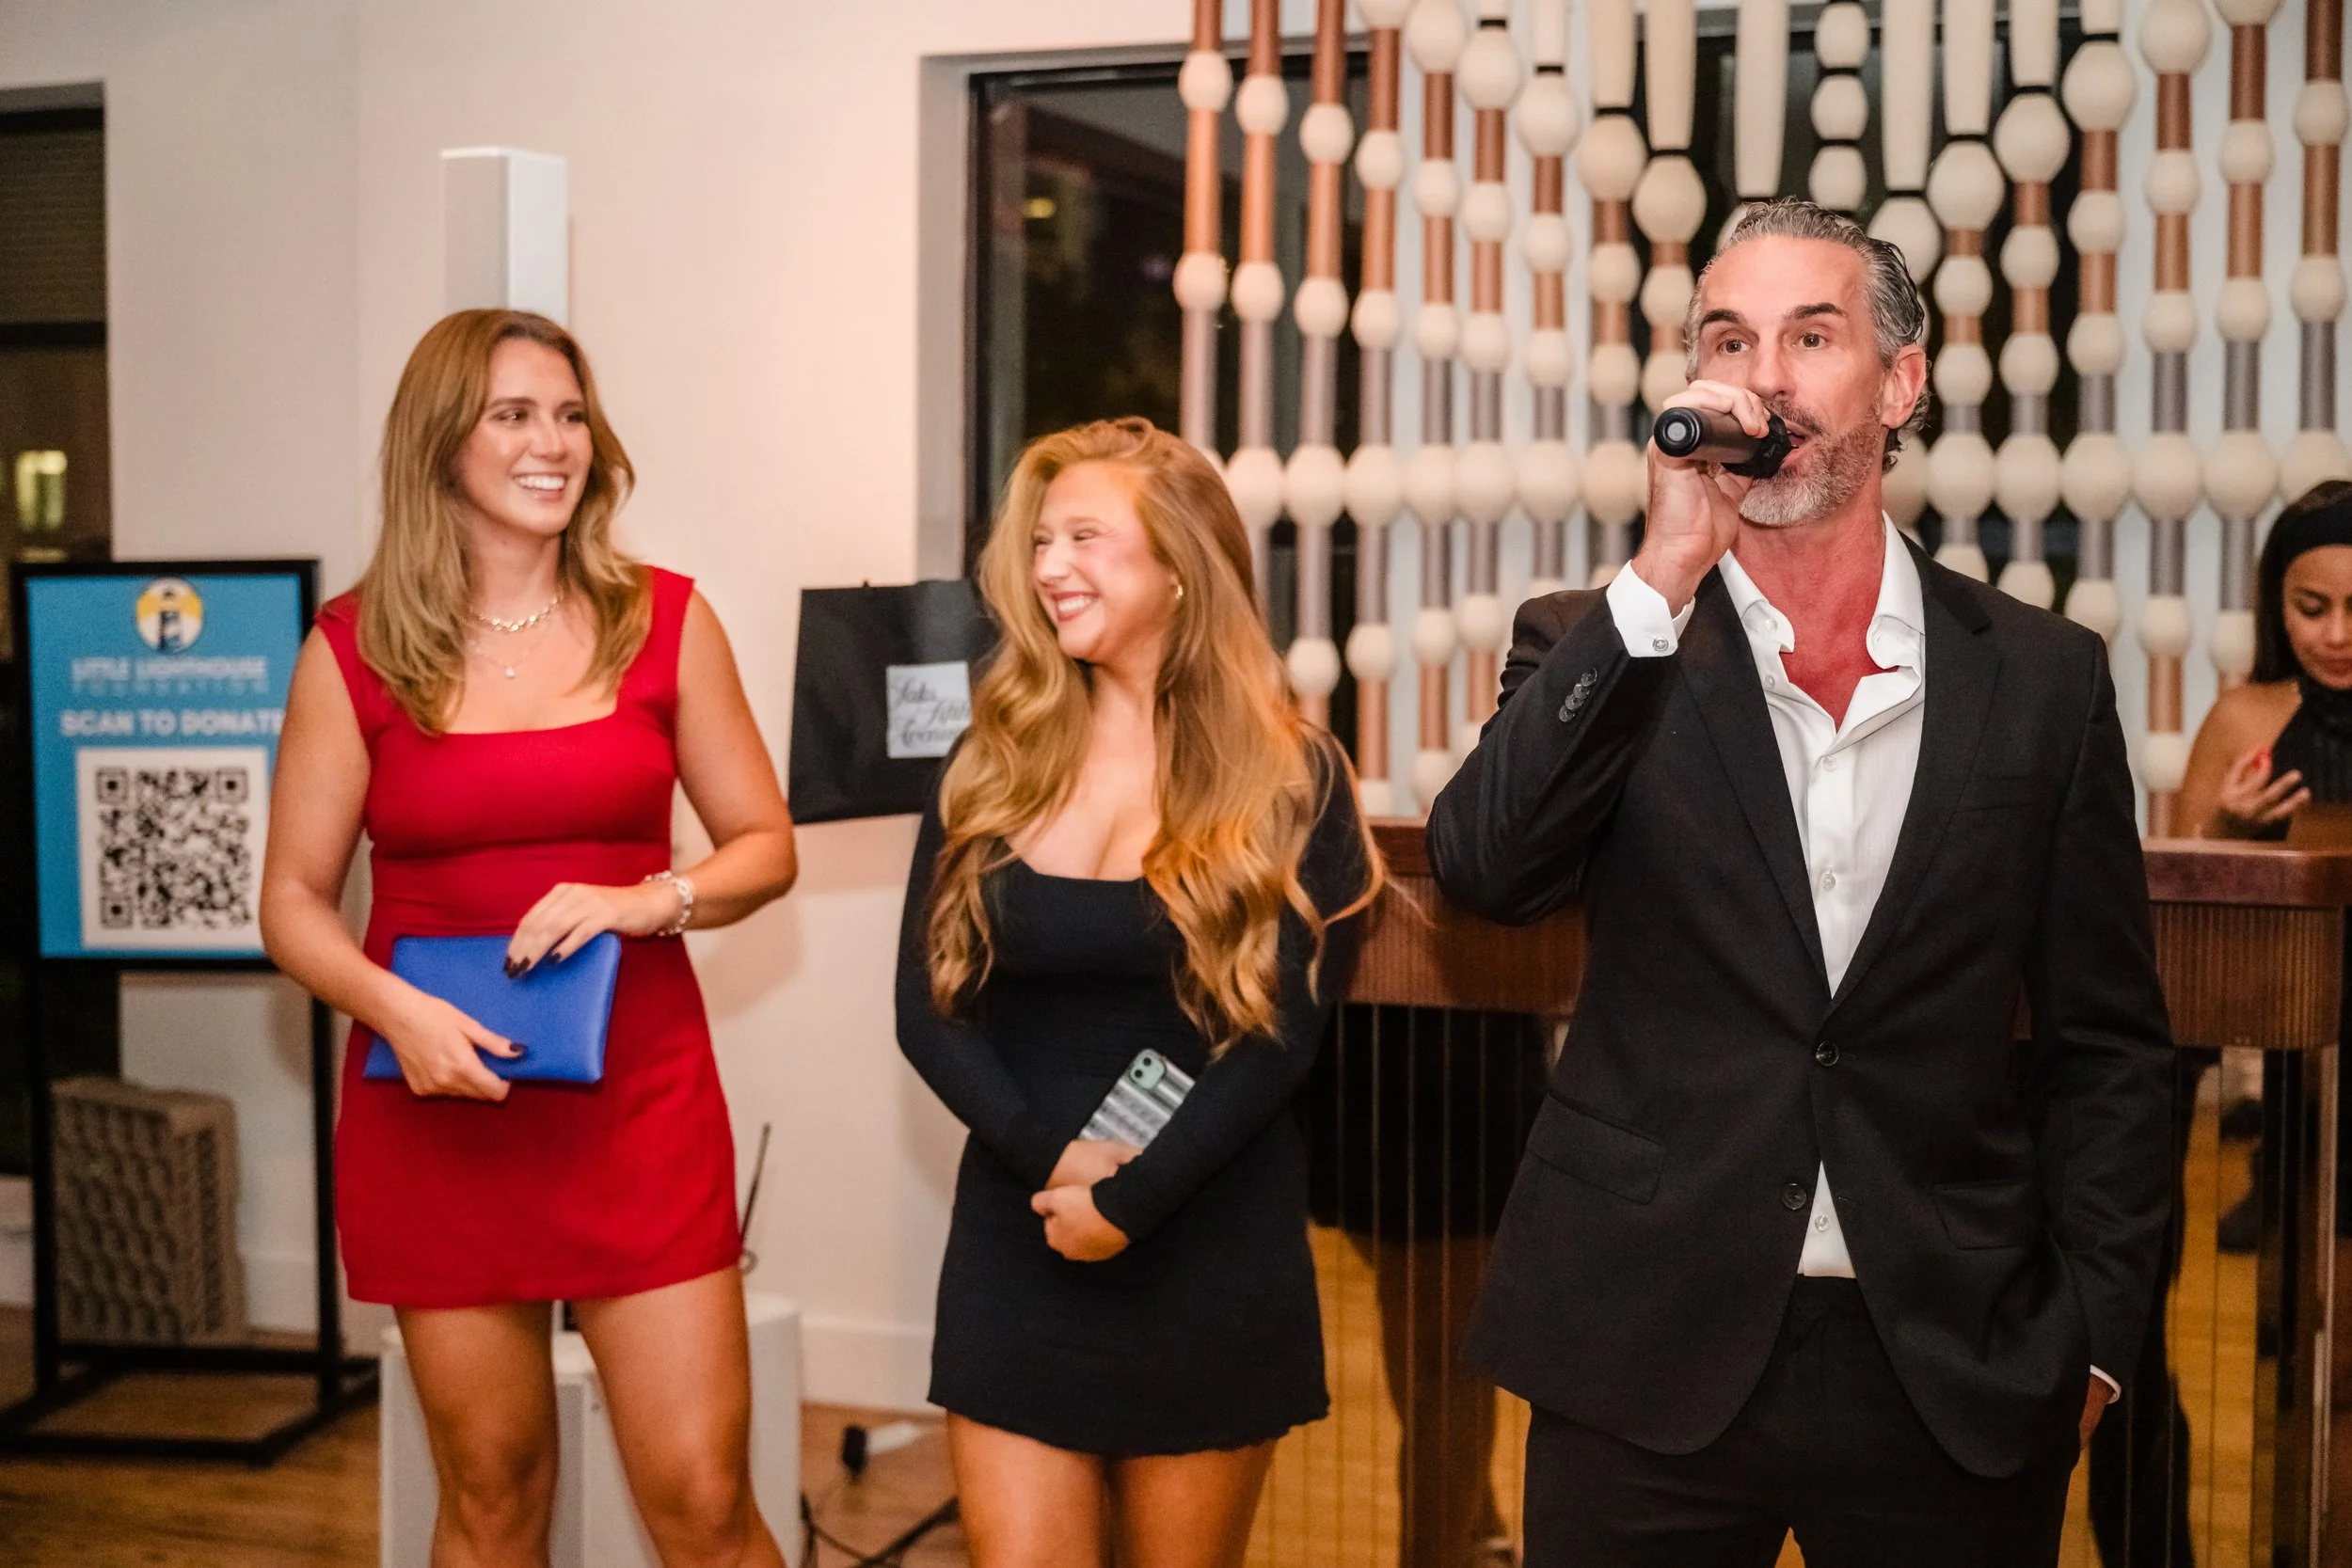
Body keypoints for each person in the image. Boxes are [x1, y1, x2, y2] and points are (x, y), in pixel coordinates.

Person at [1425, 198, 2174, 1567]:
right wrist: (1659, 575)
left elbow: (2111, 1045)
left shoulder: (2040, 678)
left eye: (1810, 335)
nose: (1761, 375)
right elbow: (1484, 871)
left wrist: (2098, 1343)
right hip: (1642, 1346)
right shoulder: (1606, 641)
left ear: (1899, 383)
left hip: (1948, 1355)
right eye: (1728, 336)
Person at [260, 309, 798, 1568]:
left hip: (637, 1108)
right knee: (491, 1500)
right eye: (514, 414)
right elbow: (290, 897)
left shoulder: (666, 620)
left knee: (705, 1500)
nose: (553, 441)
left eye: (569, 413)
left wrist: (645, 896)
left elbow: (765, 845)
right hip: (437, 1104)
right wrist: (394, 1012)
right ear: (442, 443)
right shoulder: (352, 650)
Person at [896, 417, 1381, 1568]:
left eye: (1085, 537)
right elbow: (925, 1011)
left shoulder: (1294, 773)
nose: (1049, 565)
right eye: (1041, 541)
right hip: (1023, 1234)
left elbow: (1279, 1041)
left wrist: (1132, 1199)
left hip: (1209, 1246)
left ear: (1177, 564)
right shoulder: (992, 760)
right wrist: (1054, 1161)